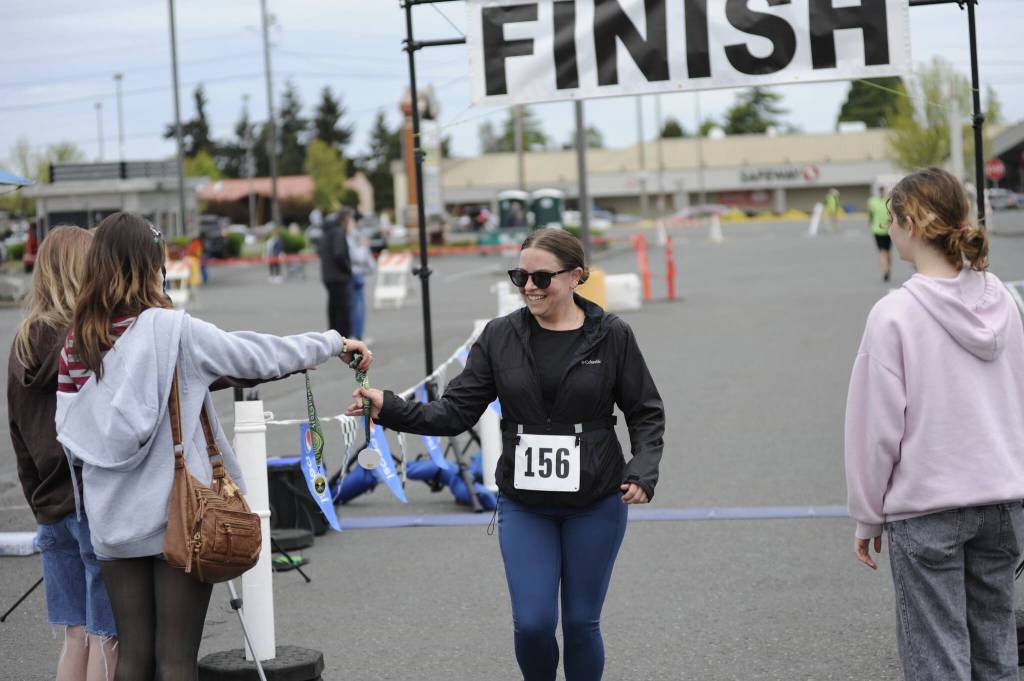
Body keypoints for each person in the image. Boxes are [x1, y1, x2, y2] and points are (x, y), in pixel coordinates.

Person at [54, 212, 372, 681]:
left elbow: (72, 436)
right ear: (151, 265)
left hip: (112, 521)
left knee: (134, 658)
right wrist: (331, 343)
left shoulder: (76, 343)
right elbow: (256, 355)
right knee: (177, 660)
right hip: (179, 515)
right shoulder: (172, 331)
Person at [346, 227, 665, 681]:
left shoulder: (612, 335)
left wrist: (643, 468)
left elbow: (645, 411)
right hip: (524, 501)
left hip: (596, 499)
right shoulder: (500, 336)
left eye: (541, 278)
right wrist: (389, 406)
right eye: (520, 277)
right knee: (533, 625)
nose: (529, 288)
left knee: (579, 623)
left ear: (576, 276)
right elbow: (454, 411)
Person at [844, 167, 1024, 681]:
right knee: (996, 647)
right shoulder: (1005, 303)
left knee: (936, 656)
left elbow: (875, 429)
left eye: (890, 217)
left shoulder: (894, 314)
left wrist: (868, 515)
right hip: (1003, 501)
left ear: (908, 223)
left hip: (928, 509)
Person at [7, 225, 118, 681]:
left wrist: (38, 502)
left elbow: (18, 432)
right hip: (90, 500)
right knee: (106, 633)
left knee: (76, 635)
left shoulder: (21, 343)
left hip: (49, 505)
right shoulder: (87, 340)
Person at [318, 209, 353, 338]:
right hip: (339, 276)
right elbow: (339, 253)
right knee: (342, 309)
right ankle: (343, 338)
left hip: (328, 275)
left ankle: (332, 335)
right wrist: (348, 269)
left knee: (333, 306)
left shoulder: (326, 233)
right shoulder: (339, 232)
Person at [348, 217, 375, 341]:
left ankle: (356, 334)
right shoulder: (349, 238)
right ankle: (357, 335)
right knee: (357, 306)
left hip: (354, 274)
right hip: (355, 274)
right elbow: (358, 257)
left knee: (356, 305)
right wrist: (364, 247)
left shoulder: (353, 236)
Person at [867, 185, 892, 282]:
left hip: (888, 230)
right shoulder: (873, 202)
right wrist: (869, 223)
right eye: (880, 192)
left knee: (888, 252)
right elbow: (870, 214)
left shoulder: (889, 202)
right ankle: (885, 270)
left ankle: (888, 268)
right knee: (882, 252)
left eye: (883, 191)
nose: (882, 193)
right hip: (877, 230)